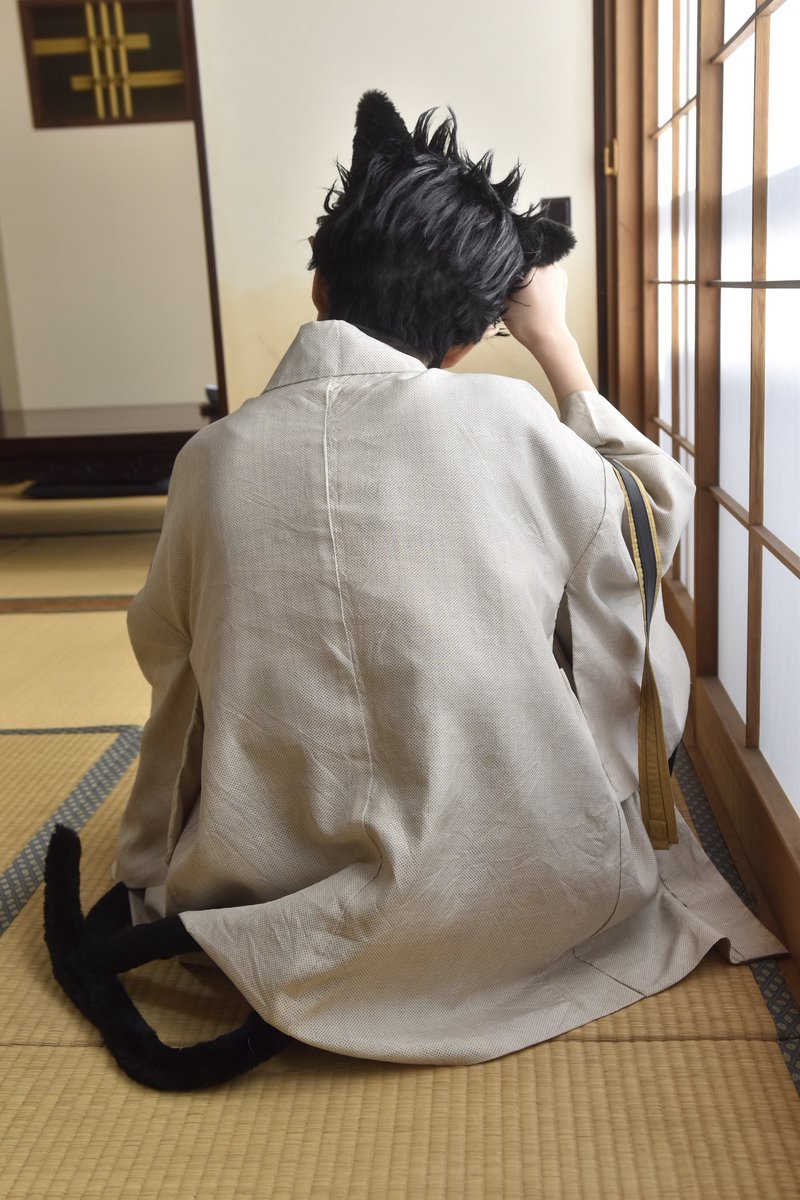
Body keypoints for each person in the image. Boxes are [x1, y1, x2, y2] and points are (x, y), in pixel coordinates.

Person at [44, 90, 787, 1090]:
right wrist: (555, 344)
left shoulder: (209, 461)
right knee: (598, 603)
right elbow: (646, 521)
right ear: (472, 338)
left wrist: (151, 862)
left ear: (318, 285)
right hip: (518, 893)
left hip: (267, 879)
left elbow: (169, 666)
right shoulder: (507, 423)